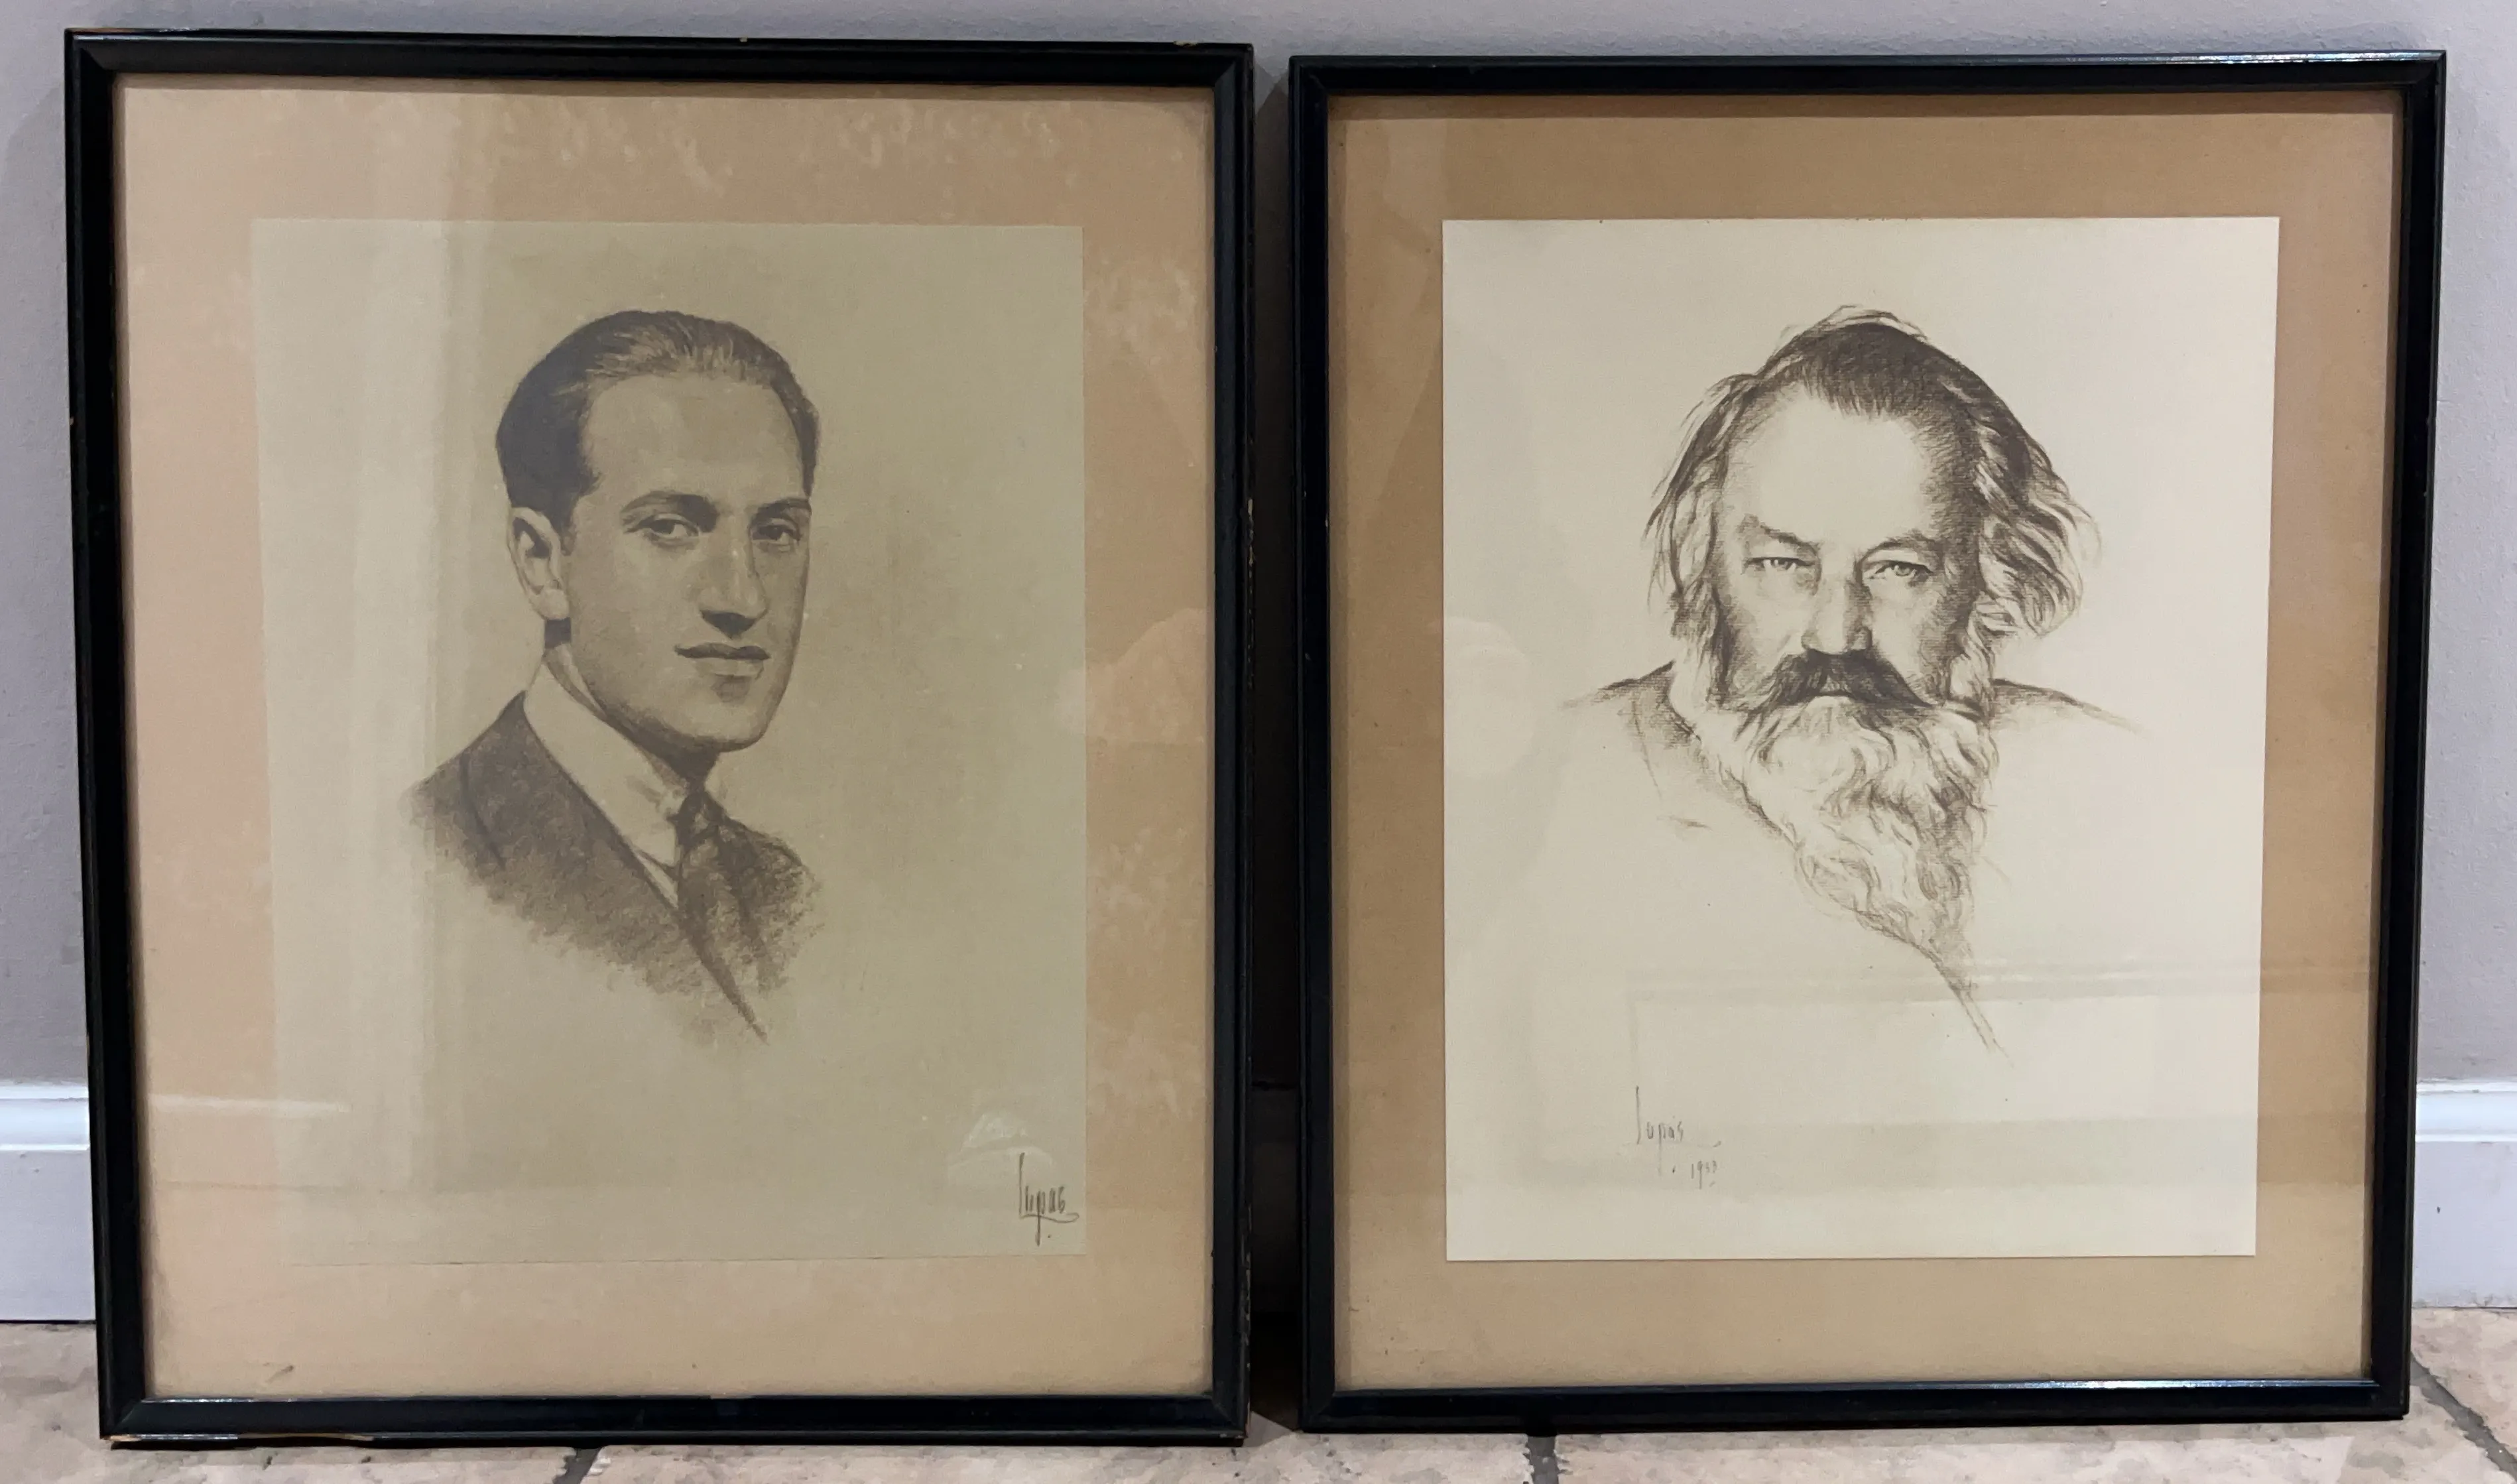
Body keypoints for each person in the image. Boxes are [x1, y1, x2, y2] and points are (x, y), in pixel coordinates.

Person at [410, 309, 820, 1038]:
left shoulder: (783, 895)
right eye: (670, 527)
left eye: (775, 531)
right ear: (543, 563)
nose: (744, 598)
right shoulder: (433, 864)